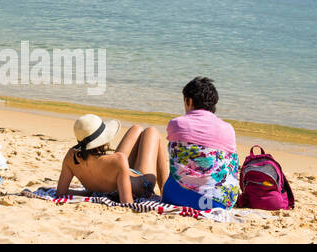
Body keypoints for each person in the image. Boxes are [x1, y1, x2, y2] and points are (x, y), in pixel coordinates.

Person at [162, 77, 240, 209]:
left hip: (178, 197)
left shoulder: (177, 124)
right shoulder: (228, 129)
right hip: (219, 202)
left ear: (189, 101)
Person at [55, 114, 167, 203]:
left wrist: (89, 192)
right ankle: (165, 191)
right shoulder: (118, 160)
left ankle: (165, 189)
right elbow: (127, 202)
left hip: (116, 176)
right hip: (143, 185)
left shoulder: (71, 156)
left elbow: (60, 193)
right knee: (152, 131)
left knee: (136, 128)